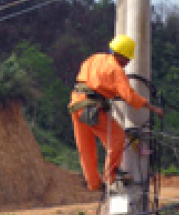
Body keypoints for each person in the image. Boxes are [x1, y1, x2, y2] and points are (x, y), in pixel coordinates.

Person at [68, 34, 164, 191]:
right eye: (127, 59)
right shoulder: (116, 70)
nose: (128, 63)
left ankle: (94, 183)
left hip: (76, 103)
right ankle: (110, 176)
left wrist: (109, 92)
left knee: (86, 147)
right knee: (117, 137)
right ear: (122, 55)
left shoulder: (95, 58)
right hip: (91, 107)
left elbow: (95, 81)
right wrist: (153, 108)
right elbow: (129, 96)